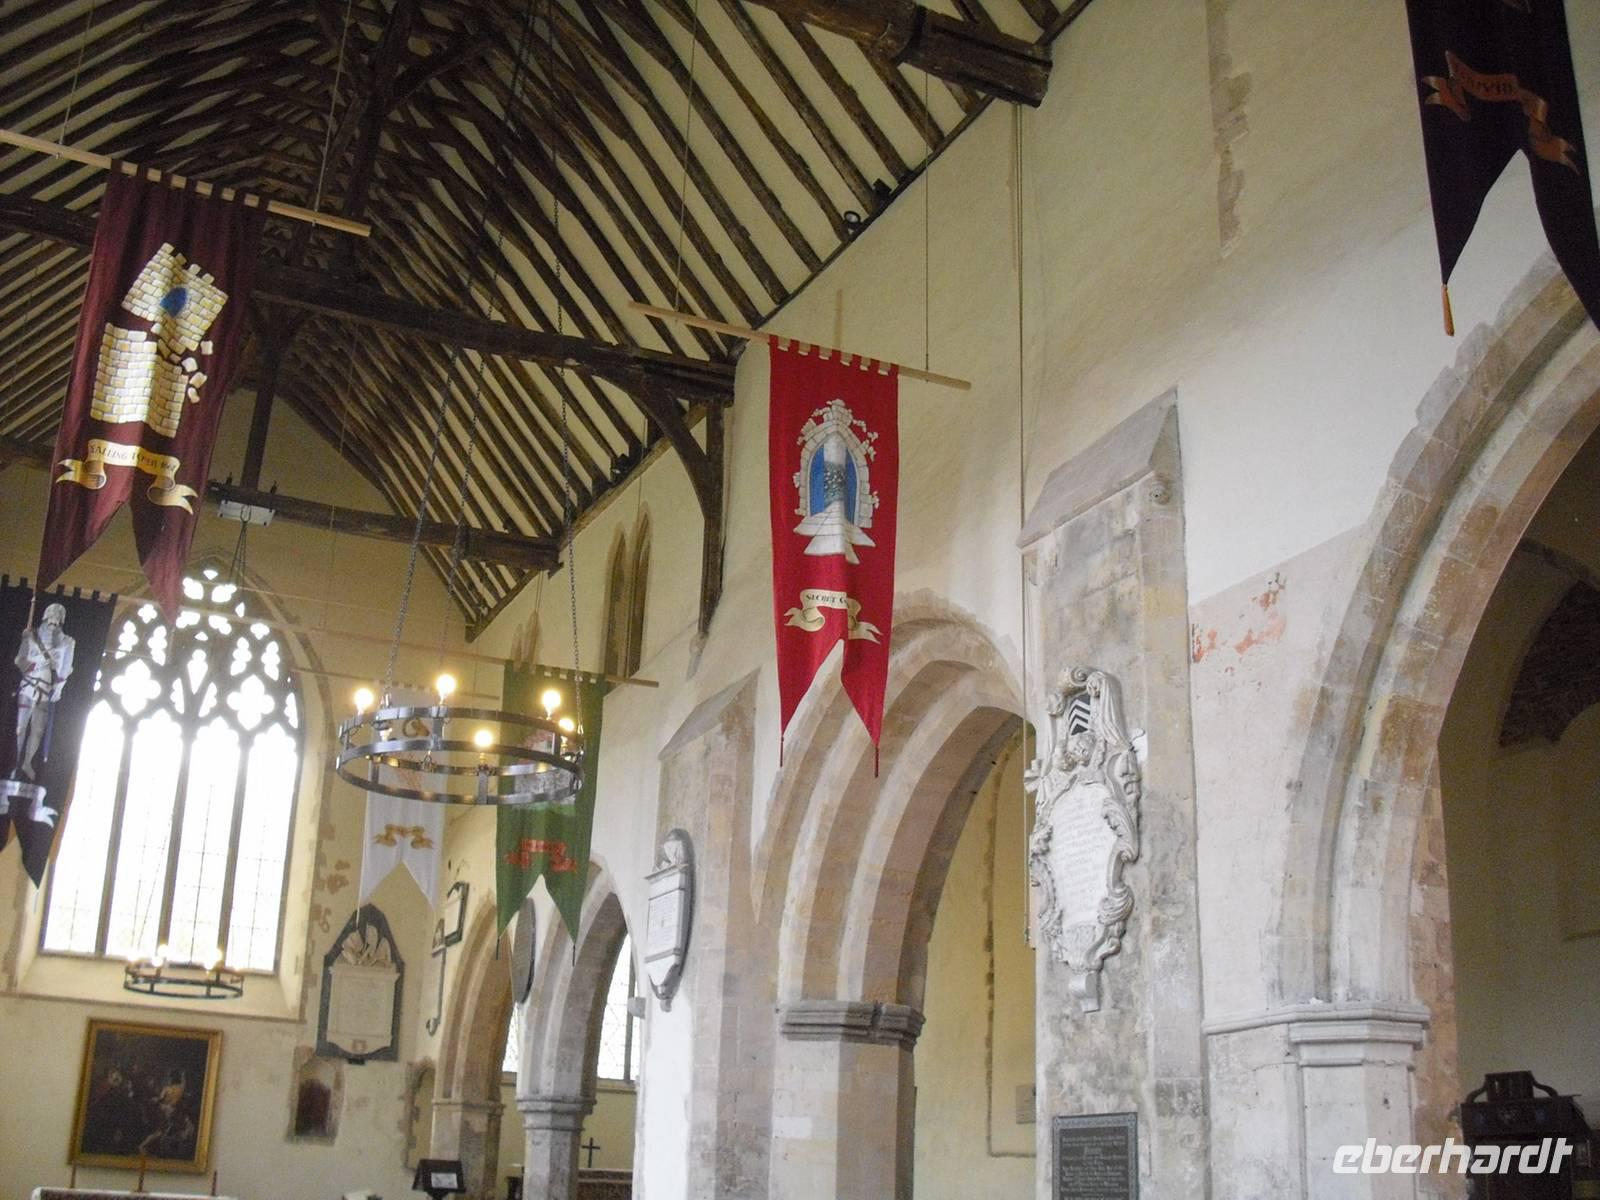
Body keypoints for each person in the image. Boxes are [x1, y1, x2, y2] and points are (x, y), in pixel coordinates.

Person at [13, 602, 75, 781]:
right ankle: (14, 762)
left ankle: (27, 762)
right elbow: (20, 660)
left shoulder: (68, 643)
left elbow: (65, 669)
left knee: (38, 729)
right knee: (20, 727)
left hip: (47, 690)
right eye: (51, 617)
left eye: (57, 618)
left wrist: (58, 688)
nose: (53, 622)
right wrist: (36, 664)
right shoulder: (31, 636)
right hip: (29, 685)